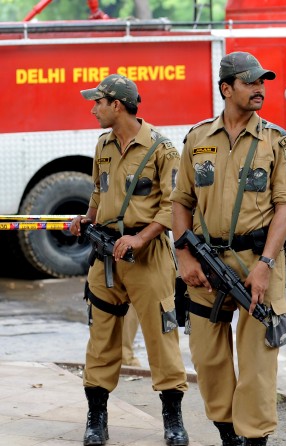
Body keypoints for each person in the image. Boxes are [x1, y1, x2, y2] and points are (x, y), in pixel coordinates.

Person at [170, 51, 286, 446]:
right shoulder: (197, 138)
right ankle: (229, 433)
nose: (260, 88)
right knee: (208, 359)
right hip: (205, 262)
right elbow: (180, 202)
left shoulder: (278, 141)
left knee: (258, 362)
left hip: (258, 262)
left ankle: (254, 438)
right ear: (226, 88)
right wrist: (184, 256)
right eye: (250, 82)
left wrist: (265, 263)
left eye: (263, 82)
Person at [70, 74, 189, 446]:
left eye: (98, 103)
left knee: (161, 337)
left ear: (116, 105)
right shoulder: (103, 143)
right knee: (101, 339)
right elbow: (98, 190)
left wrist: (139, 237)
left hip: (148, 257)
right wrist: (86, 218)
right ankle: (96, 419)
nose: (93, 110)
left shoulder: (161, 148)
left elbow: (174, 205)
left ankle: (173, 420)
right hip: (105, 258)